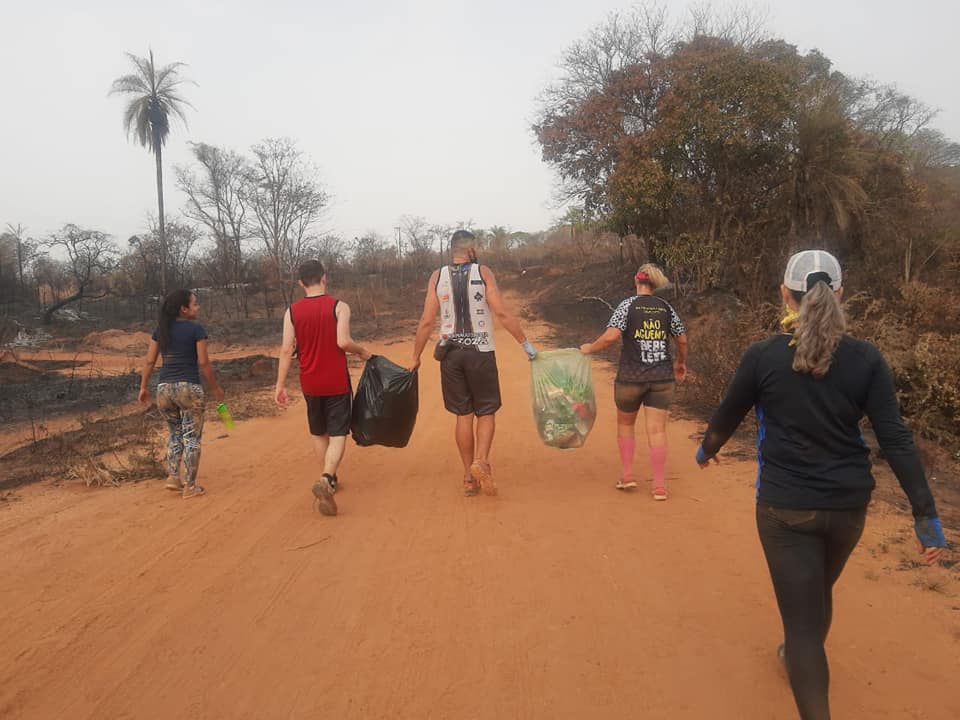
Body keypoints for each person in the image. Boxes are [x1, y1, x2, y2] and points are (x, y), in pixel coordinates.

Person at [695, 250, 947, 720]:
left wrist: (706, 452)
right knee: (818, 595)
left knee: (803, 627)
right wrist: (924, 514)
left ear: (784, 294)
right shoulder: (866, 359)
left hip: (786, 510)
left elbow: (728, 414)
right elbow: (893, 437)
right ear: (840, 294)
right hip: (848, 508)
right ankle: (798, 654)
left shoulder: (764, 355)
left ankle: (802, 664)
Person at [410, 229, 537, 496]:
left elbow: (425, 321)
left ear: (452, 250)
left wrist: (416, 357)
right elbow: (500, 311)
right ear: (470, 249)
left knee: (463, 415)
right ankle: (481, 460)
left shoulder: (437, 276)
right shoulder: (483, 272)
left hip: (451, 354)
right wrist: (525, 344)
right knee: (486, 412)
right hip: (481, 351)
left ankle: (469, 477)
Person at [580, 264, 688, 500]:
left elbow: (610, 337)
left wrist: (590, 348)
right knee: (657, 431)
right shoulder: (666, 308)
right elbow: (682, 339)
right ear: (654, 283)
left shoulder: (627, 305)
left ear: (636, 281)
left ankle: (628, 475)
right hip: (661, 378)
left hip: (631, 378)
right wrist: (680, 362)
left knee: (626, 426)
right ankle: (659, 486)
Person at [275, 260, 371, 517]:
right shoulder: (339, 307)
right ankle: (327, 476)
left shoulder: (291, 312)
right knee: (339, 432)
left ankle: (329, 479)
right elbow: (343, 342)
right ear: (324, 278)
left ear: (301, 283)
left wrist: (280, 385)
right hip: (336, 380)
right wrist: (361, 350)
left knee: (319, 431)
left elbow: (286, 350)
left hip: (310, 382)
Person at [138, 289, 225, 499]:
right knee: (192, 437)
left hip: (164, 389)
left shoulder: (161, 330)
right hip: (189, 389)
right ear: (184, 310)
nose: (198, 307)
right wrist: (215, 388)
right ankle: (190, 486)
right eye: (194, 304)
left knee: (175, 433)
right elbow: (203, 363)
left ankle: (173, 477)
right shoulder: (196, 330)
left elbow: (150, 361)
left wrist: (143, 387)